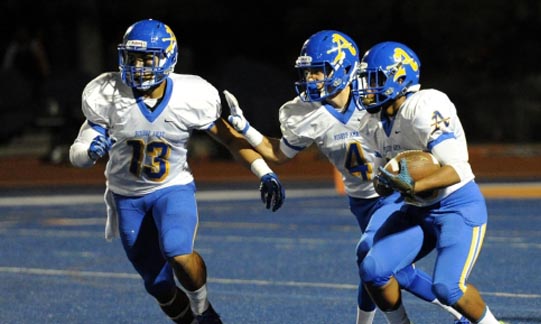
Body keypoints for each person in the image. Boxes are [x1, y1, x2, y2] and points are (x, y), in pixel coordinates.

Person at [224, 30, 469, 323]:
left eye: (319, 71)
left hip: (393, 194)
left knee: (369, 256)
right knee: (391, 271)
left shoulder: (374, 94)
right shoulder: (304, 112)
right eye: (308, 72)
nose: (311, 79)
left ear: (343, 68)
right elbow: (280, 155)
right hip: (361, 201)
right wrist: (246, 129)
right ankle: (461, 313)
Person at [68, 18, 285, 324]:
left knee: (177, 250)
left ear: (168, 58)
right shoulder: (108, 94)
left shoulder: (189, 95)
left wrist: (264, 171)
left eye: (147, 58)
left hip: (172, 188)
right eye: (132, 57)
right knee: (157, 285)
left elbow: (229, 139)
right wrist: (88, 152)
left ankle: (203, 309)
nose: (138, 66)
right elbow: (78, 150)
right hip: (127, 197)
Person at [353, 41, 502, 323]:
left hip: (456, 207)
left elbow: (457, 168)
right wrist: (385, 182)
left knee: (448, 288)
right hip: (416, 210)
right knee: (373, 268)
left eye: (375, 80)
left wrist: (410, 184)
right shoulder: (370, 123)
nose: (368, 88)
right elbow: (380, 180)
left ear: (399, 79)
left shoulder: (424, 107)